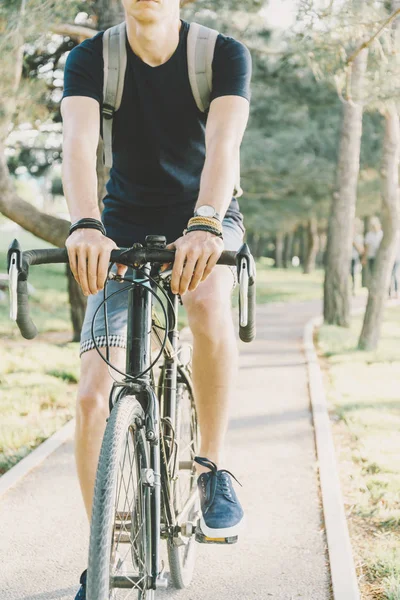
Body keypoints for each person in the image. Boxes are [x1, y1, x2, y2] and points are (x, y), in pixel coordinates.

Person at [61, 1, 252, 597]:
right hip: (117, 229)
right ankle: (103, 551)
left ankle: (210, 470)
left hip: (209, 217)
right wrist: (85, 223)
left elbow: (224, 144)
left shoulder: (221, 55)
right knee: (94, 397)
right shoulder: (91, 58)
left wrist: (203, 223)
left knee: (206, 301)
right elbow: (77, 145)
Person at [351, 219, 364, 295]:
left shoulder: (358, 237)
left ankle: (353, 289)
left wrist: (354, 244)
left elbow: (361, 250)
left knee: (353, 273)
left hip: (354, 257)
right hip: (346, 258)